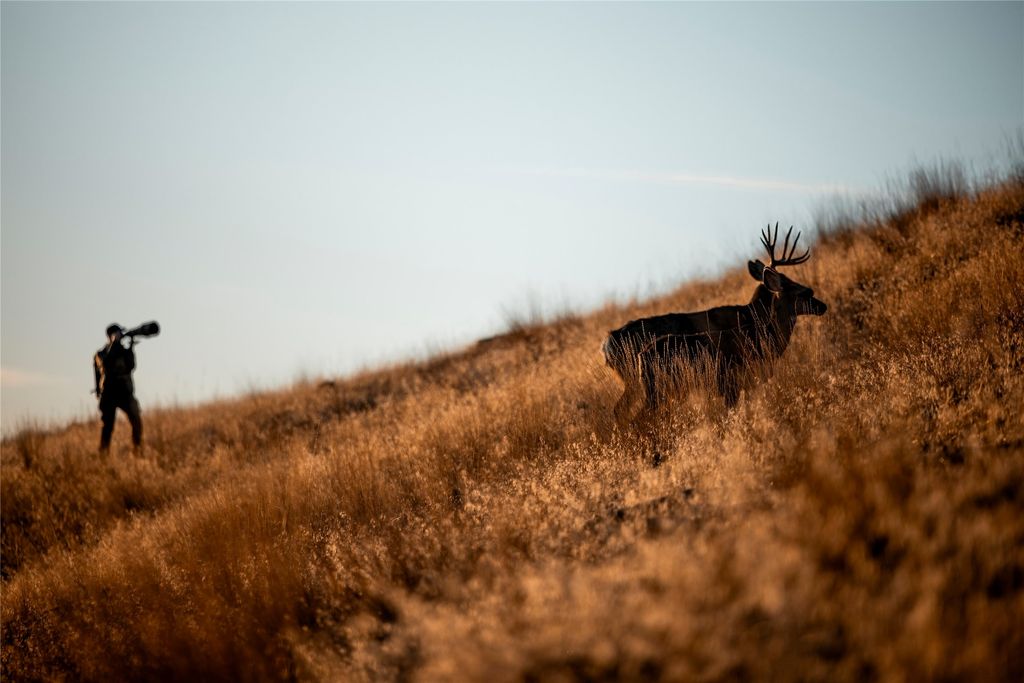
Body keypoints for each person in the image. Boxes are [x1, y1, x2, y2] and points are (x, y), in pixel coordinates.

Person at [94, 323, 143, 453]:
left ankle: (137, 449)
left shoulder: (124, 351)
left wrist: (130, 347)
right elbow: (105, 365)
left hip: (125, 392)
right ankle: (104, 454)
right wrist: (114, 345)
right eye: (117, 334)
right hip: (109, 394)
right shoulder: (102, 353)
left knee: (136, 419)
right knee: (108, 426)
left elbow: (131, 366)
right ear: (110, 336)